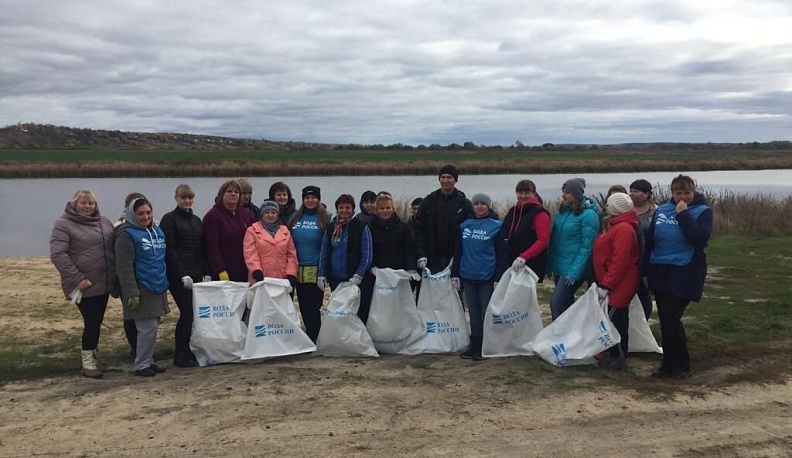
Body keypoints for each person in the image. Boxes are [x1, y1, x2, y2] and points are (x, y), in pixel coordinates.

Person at [646, 175, 712, 380]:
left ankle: (682, 366)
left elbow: (699, 239)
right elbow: (650, 241)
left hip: (685, 270)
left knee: (671, 318)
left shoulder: (702, 211)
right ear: (672, 193)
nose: (682, 197)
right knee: (666, 320)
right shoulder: (662, 210)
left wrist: (683, 214)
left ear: (694, 191)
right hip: (660, 269)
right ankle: (668, 366)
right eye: (678, 193)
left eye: (687, 193)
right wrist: (645, 271)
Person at [50, 189, 117, 379]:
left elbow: (114, 240)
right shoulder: (63, 224)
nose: (88, 206)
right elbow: (58, 254)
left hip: (104, 283)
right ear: (74, 204)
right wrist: (77, 279)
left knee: (96, 321)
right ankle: (88, 363)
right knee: (92, 322)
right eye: (83, 203)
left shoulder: (103, 221)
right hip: (84, 285)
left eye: (91, 203)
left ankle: (93, 356)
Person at [115, 198, 170, 377]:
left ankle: (149, 360)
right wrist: (131, 292)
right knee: (147, 328)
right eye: (140, 214)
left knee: (153, 326)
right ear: (132, 215)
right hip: (140, 287)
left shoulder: (156, 230)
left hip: (157, 284)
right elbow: (123, 267)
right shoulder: (126, 235)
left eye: (148, 212)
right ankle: (141, 364)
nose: (145, 217)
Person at [159, 184, 206, 368]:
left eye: (190, 198)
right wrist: (181, 274)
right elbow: (170, 250)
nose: (187, 201)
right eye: (183, 198)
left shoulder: (196, 220)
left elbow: (200, 249)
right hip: (178, 277)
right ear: (176, 198)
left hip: (196, 274)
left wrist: (205, 272)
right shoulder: (169, 220)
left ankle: (188, 350)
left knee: (193, 315)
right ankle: (180, 353)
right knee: (187, 313)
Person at [592, 192, 640, 370]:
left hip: (621, 282)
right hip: (612, 280)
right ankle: (613, 353)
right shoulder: (615, 225)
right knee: (614, 317)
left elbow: (620, 260)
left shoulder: (624, 229)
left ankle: (618, 356)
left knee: (613, 318)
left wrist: (607, 284)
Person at [451, 193, 501, 361]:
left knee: (485, 312)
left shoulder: (496, 226)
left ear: (488, 206)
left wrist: (498, 276)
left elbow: (501, 253)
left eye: (483, 204)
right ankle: (475, 343)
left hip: (486, 276)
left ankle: (485, 345)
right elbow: (458, 252)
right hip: (467, 275)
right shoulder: (465, 225)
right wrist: (455, 274)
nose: (479, 207)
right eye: (477, 204)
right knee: (473, 312)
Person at [547, 178, 600, 320]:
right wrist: (549, 264)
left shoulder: (589, 215)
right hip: (559, 264)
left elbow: (587, 246)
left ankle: (558, 331)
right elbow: (554, 240)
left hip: (573, 266)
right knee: (565, 303)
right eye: (563, 192)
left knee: (556, 302)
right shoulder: (562, 212)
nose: (563, 195)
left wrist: (575, 271)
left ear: (576, 194)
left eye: (567, 192)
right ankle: (569, 331)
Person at [317, 194, 373, 322]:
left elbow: (367, 254)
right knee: (338, 311)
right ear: (337, 209)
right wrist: (322, 274)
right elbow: (324, 252)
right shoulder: (331, 228)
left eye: (348, 207)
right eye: (341, 207)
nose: (344, 210)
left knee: (355, 312)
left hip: (354, 278)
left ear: (353, 209)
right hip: (335, 278)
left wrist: (359, 274)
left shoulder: (361, 227)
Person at [366, 192, 417, 323]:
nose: (385, 211)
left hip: (398, 274)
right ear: (377, 210)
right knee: (380, 308)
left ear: (393, 209)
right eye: (382, 208)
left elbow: (409, 250)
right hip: (378, 276)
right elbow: (367, 250)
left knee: (398, 307)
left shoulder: (403, 227)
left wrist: (411, 268)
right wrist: (372, 267)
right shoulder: (369, 227)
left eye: (388, 208)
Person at [288, 186, 331, 342]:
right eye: (307, 198)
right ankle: (309, 337)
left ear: (318, 199)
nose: (310, 200)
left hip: (317, 271)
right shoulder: (295, 217)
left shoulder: (327, 217)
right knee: (303, 307)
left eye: (313, 197)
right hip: (297, 269)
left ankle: (316, 338)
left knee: (314, 307)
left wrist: (325, 272)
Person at [414, 165, 472, 273]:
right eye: (443, 177)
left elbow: (468, 233)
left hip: (455, 258)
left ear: (455, 180)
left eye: (449, 177)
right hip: (431, 258)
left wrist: (458, 255)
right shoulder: (428, 202)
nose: (445, 180)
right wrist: (421, 254)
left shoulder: (464, 204)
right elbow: (419, 230)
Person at [495, 179, 550, 283]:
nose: (523, 196)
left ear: (534, 193)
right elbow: (504, 234)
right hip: (512, 262)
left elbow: (543, 240)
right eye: (520, 193)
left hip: (530, 265)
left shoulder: (540, 213)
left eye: (527, 193)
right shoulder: (513, 211)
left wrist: (524, 257)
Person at [203, 179, 256, 281]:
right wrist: (220, 269)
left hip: (246, 270)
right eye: (229, 191)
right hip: (224, 272)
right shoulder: (213, 216)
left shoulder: (247, 214)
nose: (233, 194)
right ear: (222, 194)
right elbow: (211, 246)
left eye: (236, 192)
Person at [114, 191, 146, 358]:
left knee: (147, 318)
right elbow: (121, 261)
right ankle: (135, 348)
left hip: (146, 279)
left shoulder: (151, 226)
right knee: (131, 316)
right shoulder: (120, 228)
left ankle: (145, 350)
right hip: (127, 279)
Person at [243, 200, 298, 288]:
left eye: (273, 212)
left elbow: (291, 255)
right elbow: (250, 253)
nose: (270, 215)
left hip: (281, 279)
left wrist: (291, 273)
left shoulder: (285, 231)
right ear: (262, 214)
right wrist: (256, 270)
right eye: (267, 212)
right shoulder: (252, 230)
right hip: (260, 278)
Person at [630, 179, 657, 319]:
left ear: (646, 194)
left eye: (636, 191)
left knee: (644, 292)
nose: (631, 194)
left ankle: (644, 319)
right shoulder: (626, 209)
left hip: (649, 258)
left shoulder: (656, 212)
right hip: (630, 257)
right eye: (631, 191)